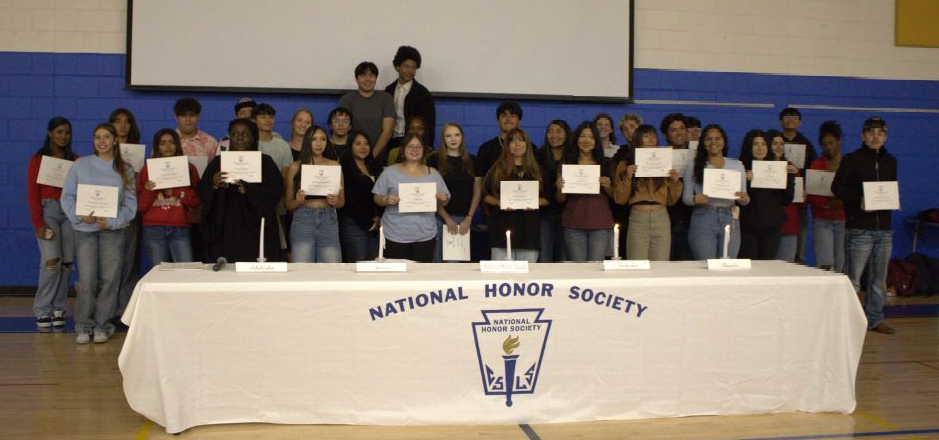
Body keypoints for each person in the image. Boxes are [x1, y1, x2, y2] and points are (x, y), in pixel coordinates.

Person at [60, 123, 137, 344]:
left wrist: (112, 222)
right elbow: (67, 197)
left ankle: (103, 324)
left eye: (105, 137)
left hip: (113, 232)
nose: (101, 141)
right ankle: (84, 325)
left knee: (110, 279)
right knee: (86, 279)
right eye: (97, 137)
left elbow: (130, 205)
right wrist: (79, 215)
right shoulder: (80, 165)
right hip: (85, 231)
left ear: (115, 140)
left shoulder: (125, 169)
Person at [831, 117, 897, 335]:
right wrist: (859, 199)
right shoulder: (852, 159)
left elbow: (889, 189)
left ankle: (875, 319)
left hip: (884, 229)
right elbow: (837, 187)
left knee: (879, 279)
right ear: (863, 136)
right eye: (871, 132)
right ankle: (848, 319)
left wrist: (891, 200)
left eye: (880, 133)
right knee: (853, 278)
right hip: (860, 228)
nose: (875, 136)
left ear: (885, 137)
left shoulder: (891, 161)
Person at [198, 119, 284, 263]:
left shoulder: (265, 162)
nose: (239, 137)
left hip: (255, 228)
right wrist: (213, 183)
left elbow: (276, 190)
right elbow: (202, 190)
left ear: (253, 138)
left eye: (245, 134)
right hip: (225, 225)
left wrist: (250, 190)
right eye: (235, 134)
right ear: (229, 137)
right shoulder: (218, 162)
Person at [27, 117, 78, 331]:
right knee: (51, 261)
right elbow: (32, 193)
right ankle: (42, 309)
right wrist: (38, 222)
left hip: (69, 212)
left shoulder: (75, 159)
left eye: (66, 132)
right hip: (48, 211)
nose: (63, 136)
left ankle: (59, 308)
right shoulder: (39, 159)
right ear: (50, 134)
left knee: (66, 263)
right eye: (58, 132)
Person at [373, 132, 450, 262]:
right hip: (394, 234)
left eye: (418, 147)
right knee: (396, 279)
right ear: (403, 150)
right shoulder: (389, 172)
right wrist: (386, 200)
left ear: (423, 150)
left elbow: (443, 202)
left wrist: (443, 199)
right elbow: (377, 197)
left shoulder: (433, 173)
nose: (415, 150)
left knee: (420, 278)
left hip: (425, 235)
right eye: (410, 146)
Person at [613, 124, 682, 261]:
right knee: (637, 263)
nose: (651, 139)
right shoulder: (625, 164)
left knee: (661, 264)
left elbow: (671, 201)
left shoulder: (665, 162)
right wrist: (627, 177)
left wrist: (675, 182)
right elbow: (620, 199)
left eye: (654, 135)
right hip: (638, 217)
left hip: (661, 215)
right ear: (638, 139)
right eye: (646, 136)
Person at [683, 124, 749, 260]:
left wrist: (744, 198)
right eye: (709, 139)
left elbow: (745, 198)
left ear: (724, 141)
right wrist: (695, 199)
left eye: (718, 138)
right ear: (703, 143)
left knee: (728, 265)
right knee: (705, 266)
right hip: (704, 217)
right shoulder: (694, 165)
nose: (713, 143)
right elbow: (686, 197)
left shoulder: (737, 165)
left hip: (730, 217)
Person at [136, 129, 201, 267]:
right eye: (163, 143)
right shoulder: (147, 169)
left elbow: (196, 201)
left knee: (186, 270)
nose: (168, 146)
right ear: (156, 146)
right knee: (159, 273)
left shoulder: (189, 168)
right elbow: (140, 207)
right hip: (154, 229)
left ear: (177, 145)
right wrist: (149, 191)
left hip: (180, 227)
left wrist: (176, 191)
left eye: (172, 142)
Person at [482, 128, 547, 262]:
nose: (517, 144)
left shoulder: (537, 170)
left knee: (526, 278)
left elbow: (548, 198)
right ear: (507, 146)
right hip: (502, 229)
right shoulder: (497, 168)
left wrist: (535, 202)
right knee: (500, 277)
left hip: (528, 230)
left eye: (521, 140)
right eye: (512, 141)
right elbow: (485, 195)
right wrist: (500, 202)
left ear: (527, 144)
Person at [284, 125, 344, 263]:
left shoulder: (334, 165)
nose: (319, 144)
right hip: (303, 218)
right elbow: (288, 204)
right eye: (314, 139)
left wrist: (335, 200)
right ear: (307, 142)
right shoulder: (295, 167)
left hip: (328, 218)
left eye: (323, 139)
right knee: (302, 269)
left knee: (332, 268)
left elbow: (341, 202)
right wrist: (298, 200)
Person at [556, 122, 615, 262]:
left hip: (600, 224)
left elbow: (615, 197)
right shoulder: (567, 164)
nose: (586, 141)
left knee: (596, 269)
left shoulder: (606, 163)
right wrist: (559, 187)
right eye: (582, 136)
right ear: (576, 140)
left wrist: (607, 186)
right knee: (578, 270)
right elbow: (560, 200)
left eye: (591, 137)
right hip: (573, 224)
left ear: (596, 142)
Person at [737, 130, 796, 260]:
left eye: (763, 144)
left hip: (771, 229)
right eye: (755, 144)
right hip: (747, 228)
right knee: (749, 268)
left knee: (767, 268)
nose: (760, 148)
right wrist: (745, 181)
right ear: (749, 147)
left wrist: (789, 179)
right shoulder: (740, 168)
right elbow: (736, 200)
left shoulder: (776, 169)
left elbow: (786, 200)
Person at [108, 108, 143, 322]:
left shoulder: (138, 153)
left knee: (129, 262)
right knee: (110, 263)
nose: (122, 126)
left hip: (131, 212)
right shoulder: (102, 150)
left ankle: (125, 311)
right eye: (117, 121)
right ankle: (108, 309)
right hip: (109, 210)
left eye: (126, 122)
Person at [428, 122, 480, 262]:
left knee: (456, 265)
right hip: (439, 218)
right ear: (443, 138)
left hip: (464, 219)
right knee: (437, 262)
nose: (453, 139)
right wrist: (446, 217)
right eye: (448, 135)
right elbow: (430, 193)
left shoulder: (472, 160)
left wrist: (469, 217)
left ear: (462, 137)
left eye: (456, 135)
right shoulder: (434, 159)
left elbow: (477, 190)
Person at [175, 97, 217, 262]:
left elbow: (215, 174)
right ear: (176, 117)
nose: (188, 119)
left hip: (201, 210)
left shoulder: (210, 142)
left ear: (198, 117)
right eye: (183, 115)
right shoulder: (168, 141)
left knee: (199, 258)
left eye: (192, 115)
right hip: (175, 211)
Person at [779, 107, 818, 264]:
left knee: (800, 233)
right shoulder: (774, 141)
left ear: (800, 122)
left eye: (794, 117)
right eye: (787, 117)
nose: (790, 120)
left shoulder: (807, 144)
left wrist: (808, 189)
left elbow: (813, 169)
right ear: (780, 121)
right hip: (780, 197)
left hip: (800, 197)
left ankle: (799, 261)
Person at [807, 120, 846, 272]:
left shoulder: (848, 164)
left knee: (841, 264)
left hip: (844, 220)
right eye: (824, 144)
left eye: (831, 143)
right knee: (825, 264)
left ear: (839, 141)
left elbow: (855, 191)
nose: (828, 147)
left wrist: (841, 202)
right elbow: (811, 194)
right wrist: (825, 204)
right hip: (822, 219)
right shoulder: (816, 165)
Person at [339, 61, 395, 164]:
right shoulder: (347, 100)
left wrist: (372, 155)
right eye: (363, 75)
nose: (368, 79)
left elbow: (387, 131)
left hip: (379, 156)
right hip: (353, 157)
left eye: (372, 75)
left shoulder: (386, 98)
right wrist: (358, 155)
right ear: (356, 79)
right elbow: (344, 129)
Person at [339, 130, 381, 262]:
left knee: (375, 267)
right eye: (358, 143)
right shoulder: (344, 168)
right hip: (354, 225)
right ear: (350, 146)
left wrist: (379, 219)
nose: (363, 147)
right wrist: (369, 223)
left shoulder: (375, 166)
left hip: (377, 225)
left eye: (366, 143)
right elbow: (349, 201)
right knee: (358, 266)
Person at [385, 45, 436, 147]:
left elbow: (429, 125)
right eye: (406, 66)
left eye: (413, 68)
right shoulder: (388, 90)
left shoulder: (423, 94)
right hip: (391, 142)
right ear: (397, 67)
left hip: (413, 143)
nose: (410, 71)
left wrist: (426, 147)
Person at [661, 113, 694, 260]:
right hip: (667, 218)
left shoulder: (698, 156)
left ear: (687, 132)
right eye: (673, 129)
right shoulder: (659, 159)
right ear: (666, 135)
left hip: (692, 219)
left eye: (682, 128)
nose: (679, 132)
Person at [537, 120, 571, 262]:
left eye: (559, 131)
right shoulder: (538, 155)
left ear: (566, 134)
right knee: (544, 258)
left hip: (568, 214)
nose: (554, 135)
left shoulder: (573, 157)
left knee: (563, 259)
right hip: (544, 214)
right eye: (550, 131)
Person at [768, 130, 802, 262]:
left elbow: (795, 199)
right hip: (768, 225)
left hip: (789, 224)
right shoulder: (761, 168)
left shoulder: (792, 168)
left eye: (781, 144)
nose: (779, 147)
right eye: (775, 143)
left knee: (786, 268)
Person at [476, 101, 523, 178]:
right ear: (498, 120)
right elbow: (479, 179)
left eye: (513, 116)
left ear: (519, 120)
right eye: (504, 116)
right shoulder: (486, 149)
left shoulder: (530, 148)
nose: (508, 119)